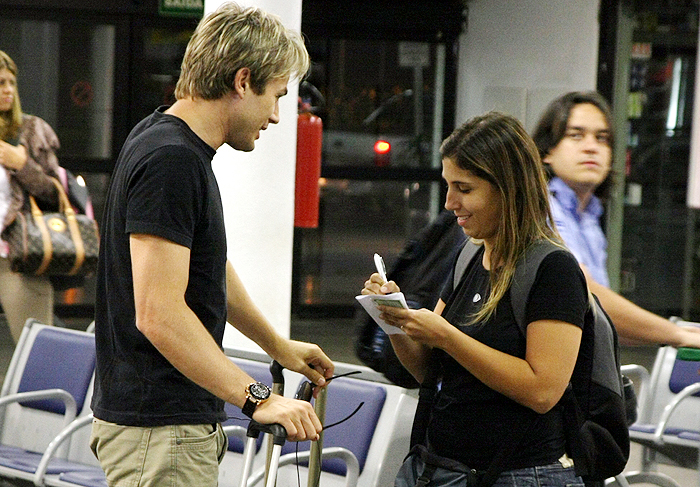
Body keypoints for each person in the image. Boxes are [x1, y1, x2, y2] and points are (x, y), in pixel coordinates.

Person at [89, 4, 334, 486]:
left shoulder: (163, 138)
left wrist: (277, 346)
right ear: (243, 81)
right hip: (160, 433)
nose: (278, 117)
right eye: (277, 96)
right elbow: (158, 313)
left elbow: (207, 268)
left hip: (164, 429)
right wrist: (258, 398)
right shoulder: (172, 160)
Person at [362, 112, 588, 487]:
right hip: (444, 468)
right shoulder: (469, 256)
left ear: (508, 189)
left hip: (518, 474)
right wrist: (396, 322)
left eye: (464, 189)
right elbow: (428, 371)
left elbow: (543, 390)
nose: (450, 203)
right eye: (448, 186)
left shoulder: (553, 270)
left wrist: (447, 336)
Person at [532, 91, 700, 348]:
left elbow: (602, 321)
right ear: (547, 152)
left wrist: (678, 333)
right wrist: (676, 334)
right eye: (576, 135)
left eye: (602, 138)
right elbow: (586, 295)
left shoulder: (588, 217)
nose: (591, 146)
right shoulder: (543, 210)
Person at [0, 50, 59, 343]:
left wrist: (21, 164)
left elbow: (55, 194)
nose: (8, 90)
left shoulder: (31, 130)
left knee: (36, 349)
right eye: (0, 83)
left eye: (11, 82)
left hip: (16, 257)